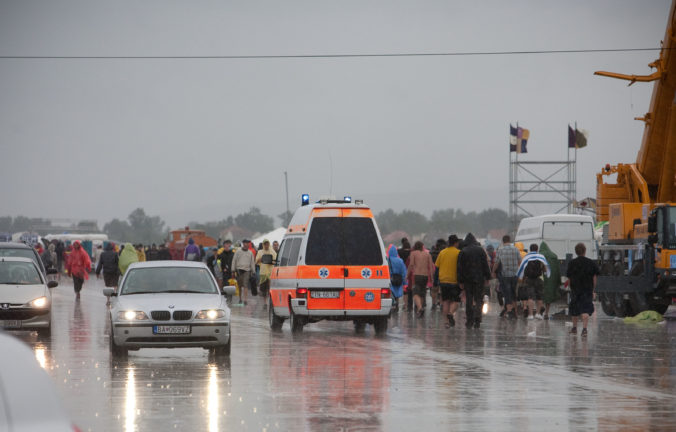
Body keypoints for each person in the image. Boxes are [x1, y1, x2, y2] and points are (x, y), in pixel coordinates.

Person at [457, 233, 491, 329]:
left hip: (468, 279)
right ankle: (478, 318)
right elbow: (485, 265)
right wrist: (487, 277)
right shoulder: (480, 250)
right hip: (479, 278)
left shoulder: (463, 251)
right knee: (478, 299)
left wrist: (460, 281)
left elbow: (459, 268)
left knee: (469, 299)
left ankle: (469, 320)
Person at [566, 243, 599, 337]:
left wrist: (570, 287)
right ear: (585, 251)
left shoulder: (572, 263)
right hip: (587, 289)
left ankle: (574, 328)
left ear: (576, 251)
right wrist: (593, 289)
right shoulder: (591, 263)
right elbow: (594, 277)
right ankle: (584, 329)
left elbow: (569, 277)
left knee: (574, 309)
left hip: (575, 289)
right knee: (585, 309)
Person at [516, 244, 551, 320]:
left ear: (530, 249)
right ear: (537, 249)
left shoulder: (527, 257)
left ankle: (531, 315)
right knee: (539, 297)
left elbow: (522, 267)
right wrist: (546, 274)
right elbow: (546, 268)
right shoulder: (541, 257)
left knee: (530, 297)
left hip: (529, 279)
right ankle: (538, 314)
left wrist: (521, 277)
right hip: (539, 279)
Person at [435, 235, 462, 328]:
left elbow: (437, 268)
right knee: (456, 301)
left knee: (445, 301)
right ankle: (451, 313)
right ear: (456, 243)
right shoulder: (459, 253)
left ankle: (446, 322)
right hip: (454, 281)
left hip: (443, 281)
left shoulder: (442, 252)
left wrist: (435, 281)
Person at [493, 235, 522, 320]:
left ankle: (510, 312)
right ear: (510, 240)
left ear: (503, 241)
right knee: (513, 294)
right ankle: (515, 312)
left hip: (505, 275)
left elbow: (497, 263)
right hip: (515, 275)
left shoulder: (500, 250)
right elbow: (520, 261)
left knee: (507, 294)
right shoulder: (516, 249)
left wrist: (493, 271)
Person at [407, 241, 435, 318]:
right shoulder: (428, 254)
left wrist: (407, 275)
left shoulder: (413, 253)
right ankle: (421, 309)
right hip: (425, 276)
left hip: (417, 275)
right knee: (422, 294)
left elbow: (411, 264)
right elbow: (431, 267)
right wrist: (432, 278)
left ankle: (419, 308)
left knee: (415, 294)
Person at [539, 242, 562, 319]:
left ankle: (540, 309)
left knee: (540, 294)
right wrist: (559, 280)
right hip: (551, 278)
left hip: (541, 277)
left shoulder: (540, 255)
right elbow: (558, 269)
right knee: (548, 295)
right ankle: (546, 313)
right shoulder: (554, 256)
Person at [232, 240, 255, 305]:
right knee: (239, 285)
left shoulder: (250, 253)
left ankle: (245, 299)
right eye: (245, 243)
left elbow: (252, 262)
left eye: (247, 243)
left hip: (247, 270)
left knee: (245, 285)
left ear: (248, 244)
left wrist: (253, 271)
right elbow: (234, 260)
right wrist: (233, 270)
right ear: (243, 244)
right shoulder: (238, 251)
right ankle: (240, 298)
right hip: (239, 270)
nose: (246, 245)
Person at [256, 239, 277, 308]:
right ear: (263, 245)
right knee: (264, 289)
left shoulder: (272, 252)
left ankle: (270, 302)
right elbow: (256, 261)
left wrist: (271, 261)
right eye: (265, 244)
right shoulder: (260, 252)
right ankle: (265, 303)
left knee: (270, 288)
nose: (266, 245)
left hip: (271, 272)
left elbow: (276, 261)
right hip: (263, 273)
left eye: (267, 244)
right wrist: (261, 259)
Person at [387, 245, 407, 311]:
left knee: (391, 292)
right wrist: (405, 282)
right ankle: (397, 305)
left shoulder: (387, 260)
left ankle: (392, 305)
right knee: (397, 293)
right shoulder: (400, 261)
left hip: (390, 278)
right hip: (398, 279)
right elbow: (403, 272)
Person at [429, 238, 446, 311]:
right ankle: (441, 303)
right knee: (442, 289)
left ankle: (433, 304)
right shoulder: (444, 253)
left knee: (434, 289)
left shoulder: (432, 253)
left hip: (433, 272)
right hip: (443, 272)